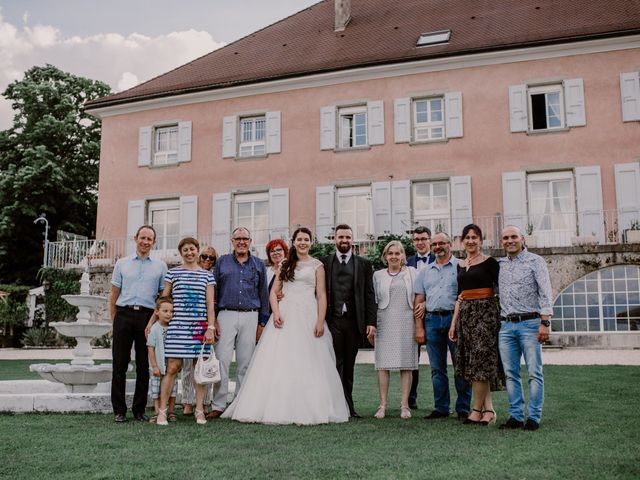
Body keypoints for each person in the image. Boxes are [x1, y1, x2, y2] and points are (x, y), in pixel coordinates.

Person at [222, 227, 349, 424]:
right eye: (299, 239)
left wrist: (319, 319)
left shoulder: (317, 266)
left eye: (306, 239)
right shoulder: (285, 264)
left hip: (309, 314)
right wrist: (277, 312)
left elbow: (322, 295)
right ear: (294, 242)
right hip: (286, 315)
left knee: (310, 360)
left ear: (311, 242)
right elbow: (274, 292)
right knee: (280, 359)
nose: (303, 243)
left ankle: (312, 405)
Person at [209, 227, 269, 419]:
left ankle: (240, 403)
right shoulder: (222, 262)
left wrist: (262, 323)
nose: (241, 242)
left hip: (251, 315)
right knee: (221, 361)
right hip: (225, 315)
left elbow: (264, 295)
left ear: (250, 241)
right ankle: (218, 404)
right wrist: (214, 320)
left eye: (245, 239)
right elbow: (214, 292)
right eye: (238, 239)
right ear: (232, 241)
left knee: (245, 362)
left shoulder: (259, 264)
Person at [156, 237, 216, 426]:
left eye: (192, 249)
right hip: (177, 326)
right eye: (185, 250)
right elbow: (164, 300)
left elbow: (210, 304)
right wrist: (154, 321)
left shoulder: (207, 275)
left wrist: (211, 327)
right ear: (181, 252)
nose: (189, 252)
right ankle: (163, 412)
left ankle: (199, 410)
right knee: (172, 367)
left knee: (200, 369)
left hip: (199, 328)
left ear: (197, 250)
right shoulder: (172, 273)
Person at [110, 225, 167, 423]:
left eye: (149, 239)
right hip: (123, 315)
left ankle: (139, 410)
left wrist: (155, 321)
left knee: (144, 365)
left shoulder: (160, 266)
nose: (145, 242)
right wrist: (113, 320)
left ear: (154, 242)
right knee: (119, 364)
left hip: (147, 318)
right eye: (142, 237)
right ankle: (119, 410)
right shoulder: (122, 263)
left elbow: (162, 296)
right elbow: (114, 293)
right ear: (136, 238)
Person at [497, 226, 553, 431]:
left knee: (533, 372)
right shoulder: (500, 265)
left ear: (522, 239)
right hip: (506, 326)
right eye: (505, 238)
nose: (509, 240)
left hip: (530, 324)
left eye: (513, 237)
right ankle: (516, 416)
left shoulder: (535, 261)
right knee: (511, 373)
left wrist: (545, 323)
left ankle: (534, 417)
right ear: (501, 242)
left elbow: (545, 293)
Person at [449, 224, 503, 426]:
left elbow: (501, 290)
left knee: (481, 362)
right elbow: (460, 296)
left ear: (481, 240)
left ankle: (475, 409)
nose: (471, 241)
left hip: (485, 315)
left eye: (475, 237)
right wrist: (453, 323)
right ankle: (489, 410)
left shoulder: (490, 262)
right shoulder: (460, 265)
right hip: (465, 316)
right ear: (462, 241)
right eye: (467, 237)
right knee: (473, 364)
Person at [414, 232, 471, 420]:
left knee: (459, 366)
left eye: (442, 243)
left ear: (450, 245)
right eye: (435, 244)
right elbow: (419, 300)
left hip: (454, 321)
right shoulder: (425, 271)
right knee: (436, 369)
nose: (438, 247)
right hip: (431, 320)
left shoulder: (461, 267)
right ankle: (441, 407)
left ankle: (463, 408)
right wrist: (419, 328)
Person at [321, 224, 377, 418]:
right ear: (334, 239)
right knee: (336, 364)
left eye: (347, 237)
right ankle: (335, 406)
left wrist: (371, 321)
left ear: (352, 240)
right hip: (333, 321)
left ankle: (349, 406)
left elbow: (370, 294)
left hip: (354, 322)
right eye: (340, 237)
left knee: (350, 366)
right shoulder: (324, 263)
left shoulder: (363, 264)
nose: (344, 240)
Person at [372, 240, 418, 420]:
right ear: (385, 256)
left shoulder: (412, 273)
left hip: (407, 319)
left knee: (406, 364)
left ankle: (405, 405)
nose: (394, 256)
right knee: (383, 364)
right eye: (390, 253)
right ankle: (382, 405)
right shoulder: (378, 275)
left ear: (403, 256)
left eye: (397, 253)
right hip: (384, 320)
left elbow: (421, 293)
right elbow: (373, 300)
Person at [181, 246, 218, 417]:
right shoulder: (186, 273)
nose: (207, 260)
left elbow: (214, 303)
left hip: (207, 324)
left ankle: (203, 402)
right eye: (204, 256)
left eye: (211, 258)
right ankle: (187, 401)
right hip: (189, 323)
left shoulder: (212, 276)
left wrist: (213, 324)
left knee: (205, 363)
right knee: (188, 365)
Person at [406, 226, 434, 410]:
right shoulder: (407, 262)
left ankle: (443, 402)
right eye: (416, 239)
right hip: (412, 317)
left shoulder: (439, 258)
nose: (420, 242)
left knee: (438, 361)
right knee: (411, 360)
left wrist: (427, 302)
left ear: (429, 240)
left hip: (433, 315)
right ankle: (410, 398)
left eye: (423, 239)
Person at [147, 296, 177, 423]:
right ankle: (157, 411)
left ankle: (170, 411)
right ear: (157, 312)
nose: (169, 314)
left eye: (171, 311)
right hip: (158, 365)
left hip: (170, 365)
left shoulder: (174, 327)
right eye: (165, 311)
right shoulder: (154, 329)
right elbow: (150, 348)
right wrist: (154, 366)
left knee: (172, 389)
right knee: (156, 390)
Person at [258, 239, 289, 343]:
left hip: (285, 312)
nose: (276, 253)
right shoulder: (266, 272)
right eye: (272, 251)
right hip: (266, 314)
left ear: (285, 251)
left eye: (279, 249)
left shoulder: (291, 269)